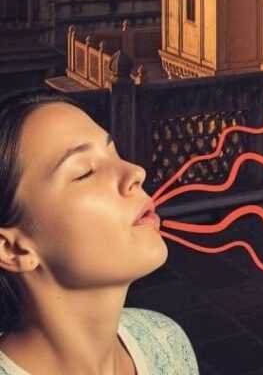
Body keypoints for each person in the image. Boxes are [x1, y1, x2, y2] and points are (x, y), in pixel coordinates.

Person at [0, 89, 199, 374]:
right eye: (85, 172)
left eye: (115, 153)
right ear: (12, 249)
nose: (136, 172)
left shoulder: (163, 341)